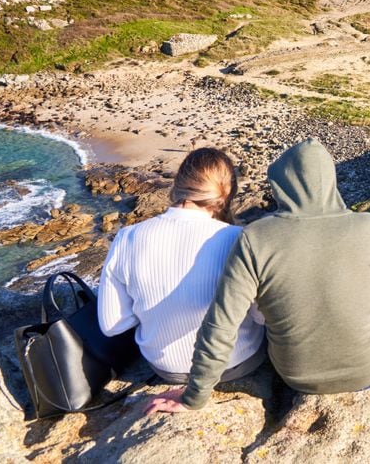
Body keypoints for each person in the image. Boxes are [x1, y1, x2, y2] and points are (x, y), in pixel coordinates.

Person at [145, 138, 370, 414]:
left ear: (280, 186)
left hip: (297, 377)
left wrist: (193, 398)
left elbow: (221, 325)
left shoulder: (256, 237)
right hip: (369, 371)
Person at [98, 148, 265, 384]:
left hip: (165, 367)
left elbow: (112, 325)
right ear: (227, 193)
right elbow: (261, 317)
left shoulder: (127, 237)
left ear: (178, 185)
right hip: (237, 361)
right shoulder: (241, 238)